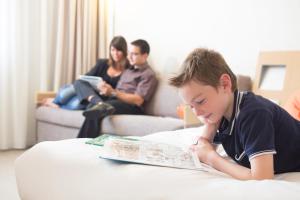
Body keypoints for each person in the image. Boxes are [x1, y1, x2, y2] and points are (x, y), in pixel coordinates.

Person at [169, 48, 300, 180]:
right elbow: (202, 148)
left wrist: (211, 158)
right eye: (191, 106)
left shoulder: (253, 114)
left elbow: (262, 177)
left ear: (225, 84)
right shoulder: (221, 112)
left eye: (200, 101)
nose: (197, 112)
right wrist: (210, 127)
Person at [77, 39, 158, 138]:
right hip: (116, 100)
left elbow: (138, 100)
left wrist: (114, 93)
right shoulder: (129, 70)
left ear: (145, 56)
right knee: (92, 106)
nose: (129, 57)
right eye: (129, 53)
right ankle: (86, 143)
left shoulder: (148, 74)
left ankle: (82, 143)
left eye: (134, 54)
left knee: (98, 108)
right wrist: (105, 89)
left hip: (132, 106)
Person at [42, 36, 129, 110]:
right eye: (113, 50)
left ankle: (54, 103)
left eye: (119, 50)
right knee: (77, 83)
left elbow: (122, 92)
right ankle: (54, 101)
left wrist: (110, 90)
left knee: (77, 105)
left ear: (124, 51)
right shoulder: (103, 63)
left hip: (104, 98)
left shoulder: (129, 70)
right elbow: (85, 78)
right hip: (91, 93)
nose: (115, 53)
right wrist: (97, 84)